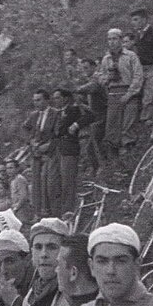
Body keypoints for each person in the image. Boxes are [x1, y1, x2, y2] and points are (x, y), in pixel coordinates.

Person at [96, 29, 143, 158]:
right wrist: (106, 79)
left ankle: (129, 153)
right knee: (112, 124)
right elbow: (100, 76)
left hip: (129, 91)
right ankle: (114, 158)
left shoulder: (131, 56)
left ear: (121, 40)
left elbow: (138, 76)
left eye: (115, 39)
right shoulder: (106, 59)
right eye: (109, 39)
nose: (112, 42)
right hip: (113, 92)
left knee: (128, 122)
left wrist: (129, 94)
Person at [51, 87, 92, 216]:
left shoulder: (74, 109)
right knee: (55, 181)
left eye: (58, 97)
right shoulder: (57, 112)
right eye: (54, 98)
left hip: (69, 147)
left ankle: (68, 212)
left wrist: (76, 125)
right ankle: (58, 211)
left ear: (65, 98)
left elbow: (90, 116)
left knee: (68, 181)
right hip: (57, 148)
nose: (55, 100)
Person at [24, 90, 59, 217]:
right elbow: (26, 129)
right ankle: (37, 213)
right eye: (34, 100)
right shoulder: (34, 115)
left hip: (49, 153)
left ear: (46, 100)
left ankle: (48, 211)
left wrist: (48, 146)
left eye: (39, 100)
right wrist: (31, 141)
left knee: (47, 182)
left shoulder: (55, 114)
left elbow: (58, 134)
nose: (36, 103)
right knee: (36, 182)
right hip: (35, 152)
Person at [5, 159, 32, 224]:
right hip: (15, 209)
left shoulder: (20, 179)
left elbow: (23, 196)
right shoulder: (12, 180)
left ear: (17, 169)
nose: (8, 170)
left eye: (11, 168)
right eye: (7, 168)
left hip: (21, 209)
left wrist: (16, 208)